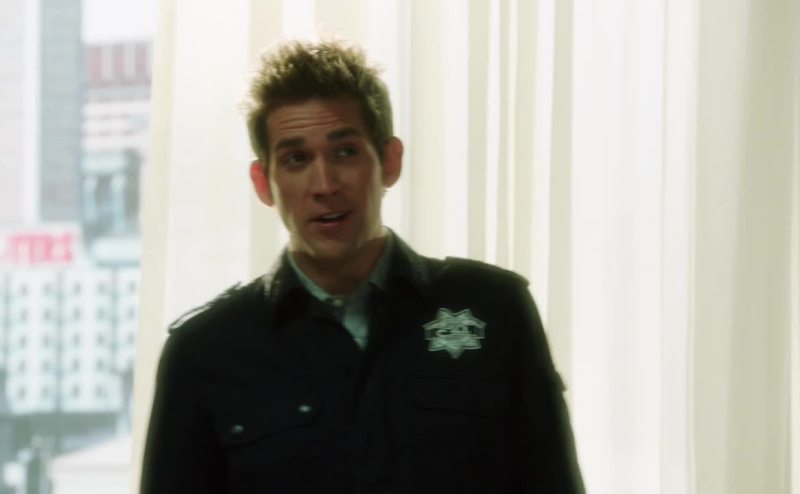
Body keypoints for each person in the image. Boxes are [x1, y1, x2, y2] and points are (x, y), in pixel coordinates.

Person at [140, 39, 584, 494]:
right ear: (264, 182)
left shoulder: (494, 307)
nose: (325, 184)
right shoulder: (205, 350)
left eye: (345, 152)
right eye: (296, 159)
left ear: (389, 161)